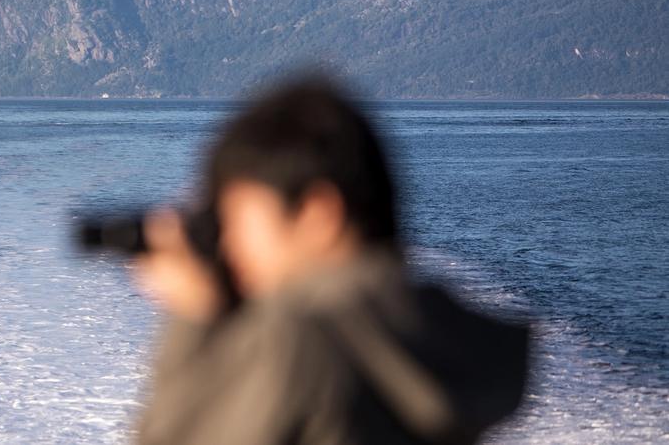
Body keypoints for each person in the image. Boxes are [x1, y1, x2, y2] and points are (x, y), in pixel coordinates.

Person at [132, 75, 530, 445]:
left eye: (238, 218)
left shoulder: (303, 341)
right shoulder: (432, 337)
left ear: (317, 214)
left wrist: (195, 317)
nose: (229, 243)